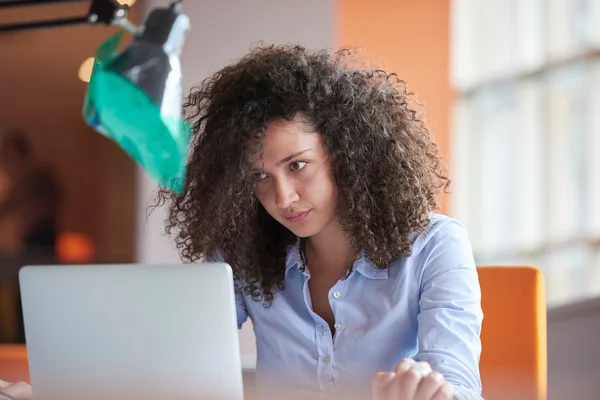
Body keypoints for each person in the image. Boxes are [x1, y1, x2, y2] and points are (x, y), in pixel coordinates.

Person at [0, 44, 483, 400]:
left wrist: (429, 395)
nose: (282, 197)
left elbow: (460, 387)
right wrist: (53, 391)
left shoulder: (435, 246)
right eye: (259, 177)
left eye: (297, 165)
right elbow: (161, 357)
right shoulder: (245, 254)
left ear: (346, 152)